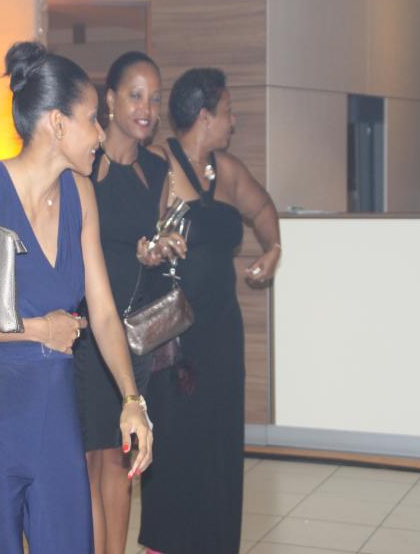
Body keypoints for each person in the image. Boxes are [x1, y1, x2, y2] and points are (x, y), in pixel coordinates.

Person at [0, 41, 153, 554]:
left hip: (55, 411)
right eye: (92, 120)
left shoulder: (81, 195)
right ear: (57, 124)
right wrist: (37, 330)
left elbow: (104, 312)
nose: (101, 134)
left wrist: (132, 400)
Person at [139, 68, 281, 554]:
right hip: (175, 339)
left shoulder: (228, 170)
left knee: (219, 442)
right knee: (176, 444)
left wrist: (274, 248)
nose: (233, 121)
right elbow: (133, 238)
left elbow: (263, 209)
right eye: (228, 111)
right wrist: (151, 246)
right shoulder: (158, 166)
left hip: (222, 332)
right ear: (204, 116)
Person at [73, 51, 184, 554]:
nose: (147, 109)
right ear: (111, 100)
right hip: (85, 333)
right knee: (88, 461)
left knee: (120, 462)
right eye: (136, 96)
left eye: (155, 99)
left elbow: (147, 246)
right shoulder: (85, 166)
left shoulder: (156, 171)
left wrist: (155, 251)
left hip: (129, 338)